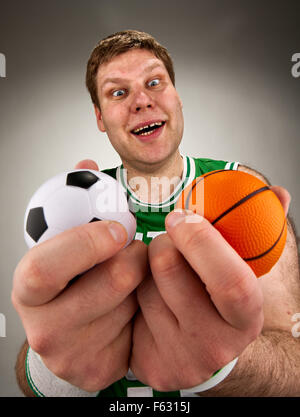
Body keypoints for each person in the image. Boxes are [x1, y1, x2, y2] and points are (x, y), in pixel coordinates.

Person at [12, 30, 300, 397]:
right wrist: (54, 370)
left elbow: (295, 366)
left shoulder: (242, 188)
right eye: (119, 92)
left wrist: (219, 366)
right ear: (100, 118)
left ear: (178, 99)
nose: (142, 101)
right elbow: (35, 363)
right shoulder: (66, 206)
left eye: (154, 82)